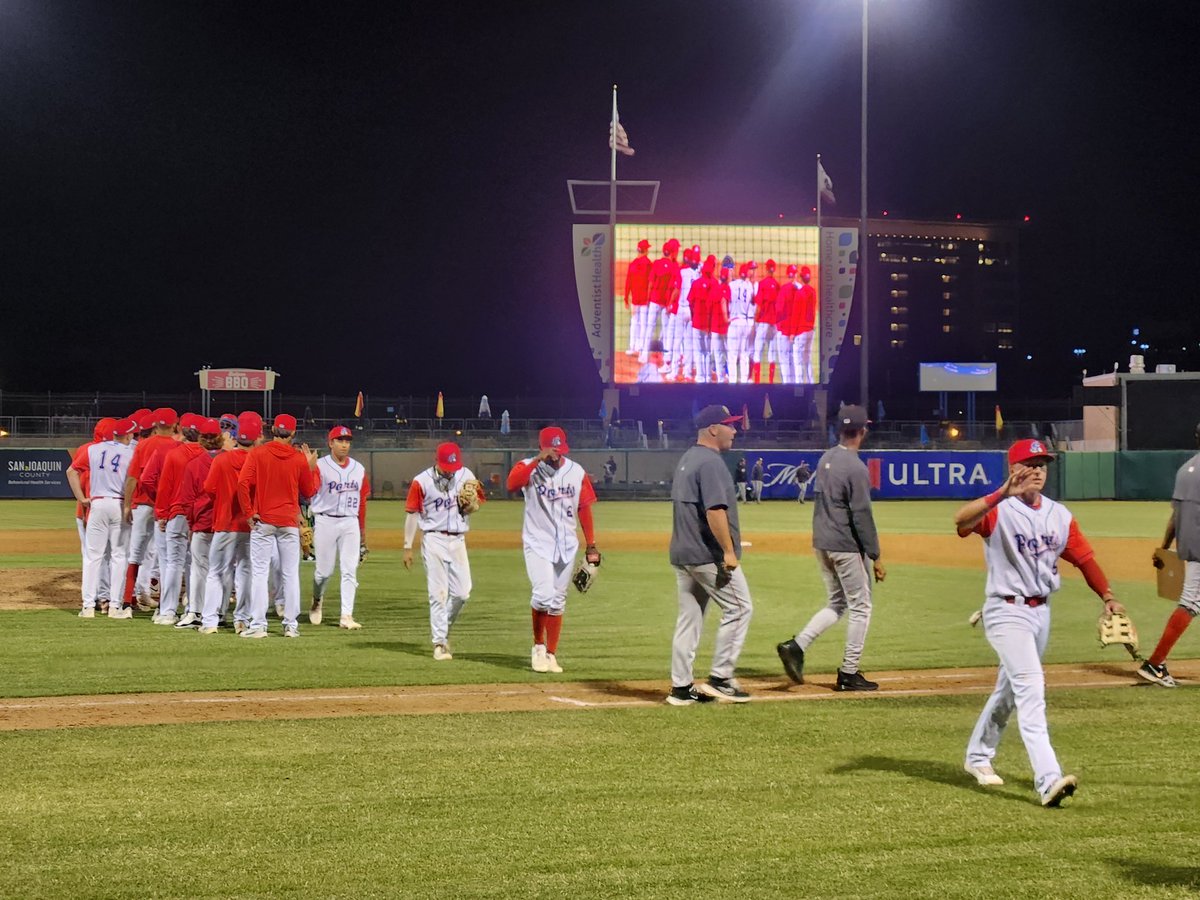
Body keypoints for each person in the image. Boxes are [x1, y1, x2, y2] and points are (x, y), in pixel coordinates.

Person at [953, 438, 1124, 807]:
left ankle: (977, 756)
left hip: (1041, 612)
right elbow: (962, 522)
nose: (1037, 471)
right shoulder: (1000, 509)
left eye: (1042, 465)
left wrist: (1108, 596)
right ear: (1013, 469)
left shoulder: (1059, 515)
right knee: (1031, 689)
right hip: (1005, 611)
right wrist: (1001, 493)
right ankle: (1048, 779)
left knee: (1010, 690)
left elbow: (1084, 559)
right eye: (1029, 465)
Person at [777, 405, 886, 691]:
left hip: (822, 543)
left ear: (839, 429)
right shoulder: (856, 467)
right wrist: (875, 555)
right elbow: (861, 515)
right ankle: (849, 673)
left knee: (838, 603)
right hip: (845, 545)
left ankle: (797, 646)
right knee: (861, 607)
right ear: (863, 431)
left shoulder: (826, 458)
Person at [666, 404, 754, 704]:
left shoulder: (688, 458)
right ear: (713, 429)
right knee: (740, 609)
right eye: (730, 425)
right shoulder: (712, 462)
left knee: (689, 619)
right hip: (706, 554)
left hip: (683, 552)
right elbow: (715, 511)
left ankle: (680, 688)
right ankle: (721, 678)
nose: (735, 430)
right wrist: (728, 551)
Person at [506, 426, 600, 674]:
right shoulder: (528, 467)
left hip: (567, 544)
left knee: (558, 601)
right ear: (542, 448)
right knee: (543, 594)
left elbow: (584, 507)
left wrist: (591, 544)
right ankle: (538, 647)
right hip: (538, 542)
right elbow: (512, 484)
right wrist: (537, 460)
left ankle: (551, 653)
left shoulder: (575, 471)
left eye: (560, 450)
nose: (557, 455)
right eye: (552, 450)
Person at [236, 414, 319, 638]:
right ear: (293, 433)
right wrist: (309, 466)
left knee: (260, 573)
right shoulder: (298, 458)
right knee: (290, 574)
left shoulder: (257, 452)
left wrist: (248, 512)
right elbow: (309, 492)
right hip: (289, 522)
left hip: (263, 520)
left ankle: (259, 625)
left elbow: (243, 483)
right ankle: (291, 625)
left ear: (273, 429)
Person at [404, 441, 482, 659]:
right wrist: (407, 546)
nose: (451, 471)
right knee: (438, 594)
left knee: (462, 592)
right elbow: (412, 513)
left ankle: (443, 628)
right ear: (436, 461)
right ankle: (439, 643)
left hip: (458, 541)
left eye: (453, 467)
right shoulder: (421, 481)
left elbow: (477, 502)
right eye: (447, 467)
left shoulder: (465, 474)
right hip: (433, 539)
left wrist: (471, 505)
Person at [1139, 422, 1200, 687]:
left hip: (1190, 548)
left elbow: (1175, 516)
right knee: (1190, 603)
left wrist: (1164, 547)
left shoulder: (1185, 469)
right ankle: (1154, 663)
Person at [67, 417, 139, 619]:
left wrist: (81, 498)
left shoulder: (93, 449)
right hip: (119, 504)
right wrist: (128, 506)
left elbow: (71, 471)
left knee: (92, 557)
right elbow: (133, 481)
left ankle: (88, 607)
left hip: (97, 504)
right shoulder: (131, 453)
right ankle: (115, 607)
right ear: (127, 435)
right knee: (118, 557)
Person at [200, 412, 262, 634]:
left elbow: (209, 489)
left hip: (225, 523)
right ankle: (241, 620)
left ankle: (209, 622)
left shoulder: (222, 459)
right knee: (246, 572)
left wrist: (224, 499)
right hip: (251, 526)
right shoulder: (260, 461)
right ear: (258, 437)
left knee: (216, 572)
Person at [310, 425, 371, 630]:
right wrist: (308, 470)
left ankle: (346, 615)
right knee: (323, 573)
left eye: (347, 441)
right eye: (340, 440)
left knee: (349, 570)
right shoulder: (320, 465)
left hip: (349, 522)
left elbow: (362, 501)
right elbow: (308, 490)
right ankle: (317, 599)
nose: (344, 445)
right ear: (330, 443)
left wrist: (362, 532)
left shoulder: (358, 469)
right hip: (325, 520)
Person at [122, 407, 179, 610]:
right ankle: (165, 606)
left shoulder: (144, 445)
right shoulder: (177, 447)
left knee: (136, 552)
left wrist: (128, 505)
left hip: (142, 504)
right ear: (174, 425)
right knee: (163, 555)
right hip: (166, 508)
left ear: (155, 425)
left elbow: (133, 477)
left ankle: (128, 601)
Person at [171, 418, 225, 628]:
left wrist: (192, 524)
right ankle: (219, 613)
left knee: (199, 569)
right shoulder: (227, 460)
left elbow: (186, 500)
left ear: (201, 439)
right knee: (222, 571)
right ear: (221, 438)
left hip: (202, 524)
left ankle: (196, 611)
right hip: (224, 525)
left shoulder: (194, 464)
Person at [751, 259, 781, 383]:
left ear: (766, 268)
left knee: (757, 352)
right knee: (772, 354)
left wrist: (755, 320)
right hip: (774, 324)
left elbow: (759, 305)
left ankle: (757, 382)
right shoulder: (777, 285)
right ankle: (770, 382)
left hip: (763, 323)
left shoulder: (762, 284)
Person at [728, 261, 756, 383]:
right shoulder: (750, 287)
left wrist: (730, 273)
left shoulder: (732, 285)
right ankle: (744, 380)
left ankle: (733, 381)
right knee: (744, 354)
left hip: (734, 322)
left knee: (732, 355)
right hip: (745, 323)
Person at [624, 238, 653, 357]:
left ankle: (632, 347)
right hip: (645, 300)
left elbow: (628, 282)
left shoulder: (633, 264)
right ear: (645, 250)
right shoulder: (648, 264)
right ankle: (641, 348)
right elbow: (651, 282)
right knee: (644, 324)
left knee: (634, 322)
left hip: (635, 300)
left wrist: (626, 298)